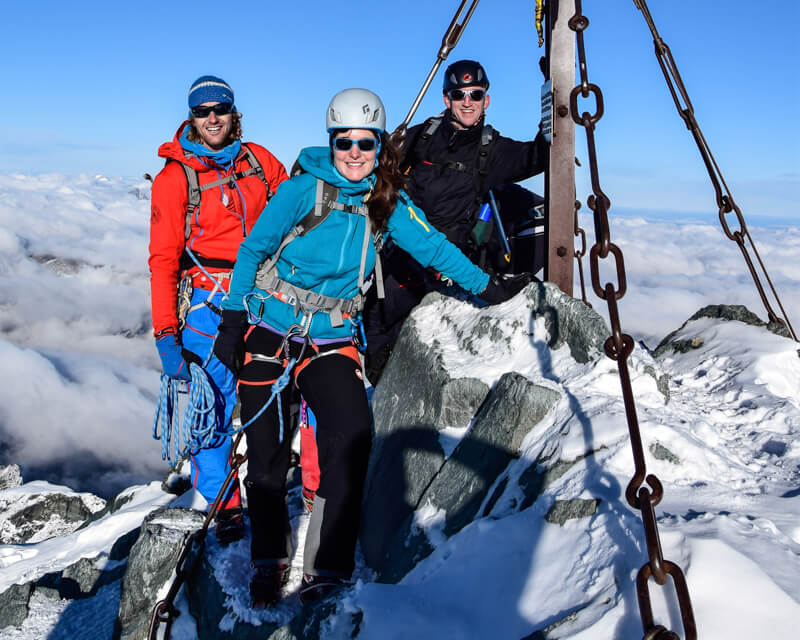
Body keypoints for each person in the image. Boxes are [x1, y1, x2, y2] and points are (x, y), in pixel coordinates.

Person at [212, 88, 527, 607]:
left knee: (353, 434)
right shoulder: (301, 190)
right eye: (345, 142)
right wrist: (233, 321)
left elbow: (432, 248)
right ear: (331, 141)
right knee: (266, 457)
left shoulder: (387, 201)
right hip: (271, 323)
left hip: (331, 335)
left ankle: (326, 564)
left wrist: (485, 286)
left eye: (365, 142)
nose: (355, 152)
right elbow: (253, 251)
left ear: (379, 143)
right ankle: (268, 560)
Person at [149, 75, 288, 544]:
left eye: (221, 109)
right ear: (192, 117)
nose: (213, 118)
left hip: (266, 296)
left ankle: (286, 481)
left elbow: (296, 216)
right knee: (212, 407)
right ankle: (225, 504)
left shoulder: (260, 162)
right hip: (208, 304)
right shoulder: (175, 179)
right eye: (203, 111)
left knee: (279, 392)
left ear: (234, 113)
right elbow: (164, 260)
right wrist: (165, 333)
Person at [363, 59, 548, 382]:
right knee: (375, 333)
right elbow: (380, 167)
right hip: (402, 258)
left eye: (475, 95)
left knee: (418, 347)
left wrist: (553, 95)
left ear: (485, 100)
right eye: (459, 94)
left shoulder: (493, 151)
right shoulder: (421, 136)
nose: (467, 102)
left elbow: (541, 154)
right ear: (446, 99)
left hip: (449, 266)